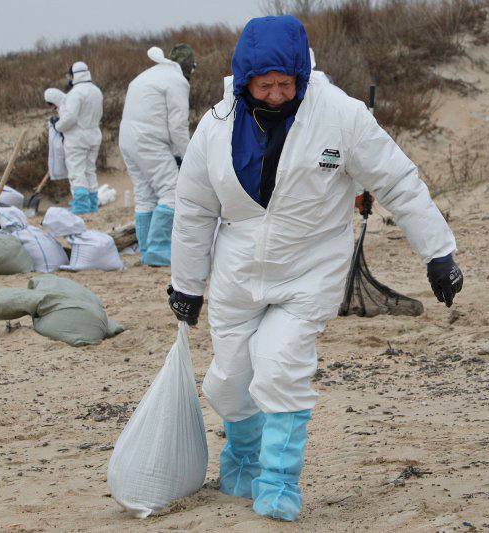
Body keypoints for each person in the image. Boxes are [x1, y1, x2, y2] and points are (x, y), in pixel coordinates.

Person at [167, 16, 463, 522]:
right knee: (229, 382)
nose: (278, 94)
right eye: (266, 85)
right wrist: (187, 284)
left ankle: (279, 483)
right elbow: (195, 209)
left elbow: (398, 181)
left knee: (281, 369)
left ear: (302, 75)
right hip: (238, 276)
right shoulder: (217, 124)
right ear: (245, 82)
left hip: (309, 272)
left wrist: (438, 253)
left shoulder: (341, 116)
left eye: (287, 83)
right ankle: (241, 462)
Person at [119, 44, 195, 266]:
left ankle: (146, 249)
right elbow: (178, 126)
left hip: (127, 139)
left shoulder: (148, 74)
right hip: (149, 140)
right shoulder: (177, 81)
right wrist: (190, 157)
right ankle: (159, 250)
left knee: (145, 194)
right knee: (171, 191)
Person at [54, 61, 103, 215]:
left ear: (74, 75)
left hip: (77, 138)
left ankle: (81, 208)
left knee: (77, 172)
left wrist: (57, 126)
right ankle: (93, 205)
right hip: (94, 135)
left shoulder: (75, 93)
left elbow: (70, 117)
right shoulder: (96, 91)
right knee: (90, 170)